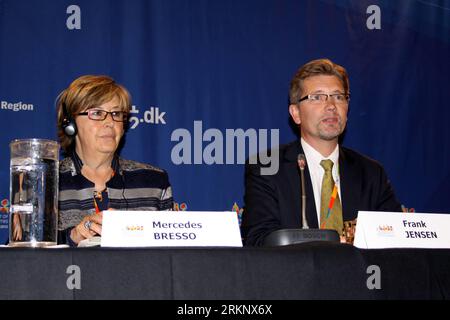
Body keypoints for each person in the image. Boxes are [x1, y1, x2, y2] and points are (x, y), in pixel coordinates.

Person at [241, 58, 402, 246]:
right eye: (317, 97)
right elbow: (259, 240)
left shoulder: (371, 173)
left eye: (338, 96)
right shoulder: (267, 167)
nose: (331, 105)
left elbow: (396, 241)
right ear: (296, 113)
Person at [56, 75, 173, 246]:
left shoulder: (154, 182)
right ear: (70, 124)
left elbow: (172, 255)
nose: (110, 122)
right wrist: (72, 237)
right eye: (97, 113)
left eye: (116, 113)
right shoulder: (45, 183)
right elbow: (20, 255)